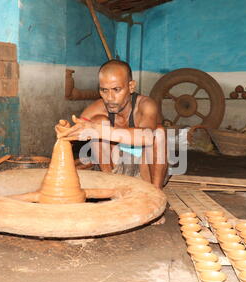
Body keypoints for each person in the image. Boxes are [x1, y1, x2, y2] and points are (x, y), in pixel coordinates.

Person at [57, 59, 168, 191]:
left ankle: (156, 192)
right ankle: (109, 187)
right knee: (97, 121)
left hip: (146, 170)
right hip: (116, 170)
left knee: (159, 132)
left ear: (131, 86)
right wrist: (65, 132)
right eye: (104, 90)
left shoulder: (146, 105)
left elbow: (147, 137)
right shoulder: (96, 108)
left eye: (116, 89)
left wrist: (99, 131)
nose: (110, 97)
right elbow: (76, 133)